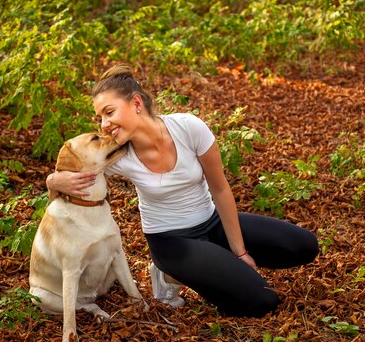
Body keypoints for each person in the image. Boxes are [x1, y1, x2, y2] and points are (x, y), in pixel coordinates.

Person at [46, 65, 318, 317]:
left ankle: (216, 259)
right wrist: (52, 182)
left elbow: (220, 189)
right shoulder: (118, 156)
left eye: (109, 112)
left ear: (136, 103)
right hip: (171, 241)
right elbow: (71, 169)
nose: (104, 124)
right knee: (263, 302)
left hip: (212, 224)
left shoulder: (188, 128)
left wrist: (239, 251)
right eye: (100, 117)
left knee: (304, 246)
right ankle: (167, 276)